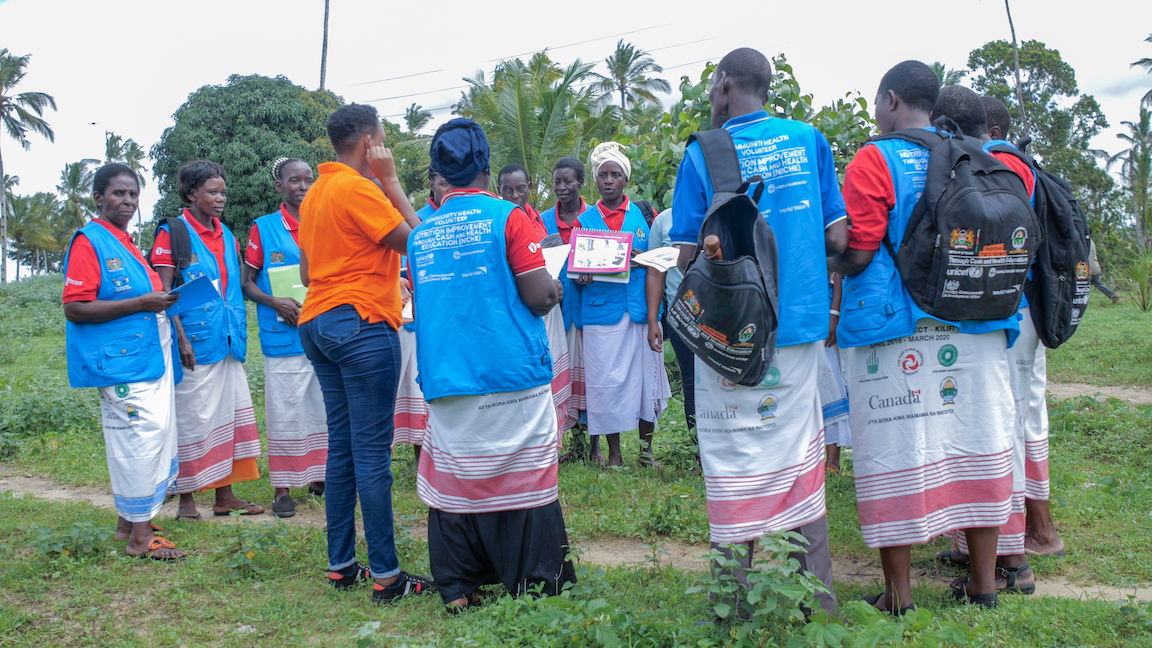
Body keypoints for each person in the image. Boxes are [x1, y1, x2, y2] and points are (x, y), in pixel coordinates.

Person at [829, 61, 1020, 611]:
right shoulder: (975, 153)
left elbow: (861, 251)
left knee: (891, 449)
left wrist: (823, 258)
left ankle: (899, 595)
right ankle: (984, 586)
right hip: (977, 321)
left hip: (896, 328)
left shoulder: (875, 158)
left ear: (891, 101)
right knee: (979, 440)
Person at [670, 47, 847, 617]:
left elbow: (685, 255)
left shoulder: (701, 153)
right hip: (797, 329)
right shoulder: (809, 140)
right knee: (799, 448)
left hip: (730, 335)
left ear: (723, 85)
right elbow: (839, 239)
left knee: (730, 454)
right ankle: (814, 598)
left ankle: (731, 600)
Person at [410, 118, 575, 610]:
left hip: (447, 376)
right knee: (525, 478)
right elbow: (538, 294)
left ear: (439, 171)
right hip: (508, 372)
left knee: (456, 482)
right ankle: (536, 580)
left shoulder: (422, 234)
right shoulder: (510, 217)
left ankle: (458, 586)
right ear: (484, 167)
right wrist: (555, 287)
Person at [297, 103, 433, 604]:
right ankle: (388, 578)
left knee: (344, 448)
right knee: (373, 455)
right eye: (383, 138)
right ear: (370, 141)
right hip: (360, 325)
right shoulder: (361, 187)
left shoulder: (316, 192)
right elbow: (421, 244)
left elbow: (311, 274)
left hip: (317, 322)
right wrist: (392, 181)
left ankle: (341, 567)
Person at [928, 86, 1035, 594]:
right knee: (997, 429)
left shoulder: (975, 168)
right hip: (1009, 313)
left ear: (945, 124)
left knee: (994, 434)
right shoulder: (1014, 169)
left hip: (981, 317)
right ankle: (990, 555)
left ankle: (1010, 560)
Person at [63, 163, 184, 560]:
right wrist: (143, 303)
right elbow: (76, 308)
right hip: (121, 362)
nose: (128, 201)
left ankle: (128, 522)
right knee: (139, 438)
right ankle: (140, 538)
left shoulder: (128, 243)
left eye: (133, 194)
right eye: (118, 193)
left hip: (145, 356)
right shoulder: (90, 241)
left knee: (151, 435)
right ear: (98, 197)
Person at [151, 160, 263, 521]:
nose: (221, 198)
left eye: (222, 192)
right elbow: (164, 293)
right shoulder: (173, 234)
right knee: (193, 420)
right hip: (194, 345)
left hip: (228, 341)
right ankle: (185, 500)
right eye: (212, 192)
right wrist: (180, 338)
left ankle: (224, 496)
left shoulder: (227, 235)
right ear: (191, 193)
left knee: (226, 418)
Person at [982, 94, 1068, 559]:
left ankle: (1018, 537)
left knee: (1008, 418)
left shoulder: (1000, 163)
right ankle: (1038, 527)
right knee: (1029, 415)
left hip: (1015, 310)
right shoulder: (1021, 161)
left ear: (987, 128)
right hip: (1032, 308)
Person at [240, 157, 326, 518]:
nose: (303, 186)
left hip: (323, 331)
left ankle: (321, 476)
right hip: (283, 334)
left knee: (322, 408)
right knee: (285, 410)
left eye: (309, 179)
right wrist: (274, 300)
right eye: (295, 180)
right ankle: (282, 488)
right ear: (280, 186)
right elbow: (246, 282)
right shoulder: (264, 228)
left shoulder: (325, 221)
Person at [577, 141, 671, 467]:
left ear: (625, 180)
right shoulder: (584, 220)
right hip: (602, 312)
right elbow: (573, 272)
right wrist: (581, 275)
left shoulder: (646, 216)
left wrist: (640, 257)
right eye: (602, 174)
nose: (608, 180)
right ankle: (614, 454)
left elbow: (662, 259)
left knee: (649, 382)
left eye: (615, 174)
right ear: (595, 180)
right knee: (606, 384)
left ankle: (646, 452)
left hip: (642, 310)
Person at [499, 163, 572, 450]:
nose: (515, 195)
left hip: (548, 304)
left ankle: (553, 438)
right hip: (521, 308)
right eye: (508, 190)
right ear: (498, 190)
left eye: (520, 189)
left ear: (529, 187)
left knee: (550, 367)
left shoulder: (536, 218)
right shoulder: (501, 219)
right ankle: (528, 442)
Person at [393, 168, 449, 463]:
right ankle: (413, 456)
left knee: (429, 389)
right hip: (408, 318)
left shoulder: (460, 216)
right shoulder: (415, 218)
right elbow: (403, 266)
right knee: (405, 388)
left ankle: (432, 453)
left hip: (442, 320)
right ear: (431, 185)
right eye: (441, 183)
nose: (447, 188)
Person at [540, 158, 593, 458]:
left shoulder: (592, 218)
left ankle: (589, 440)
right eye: (557, 182)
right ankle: (568, 439)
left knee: (587, 375)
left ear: (580, 183)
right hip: (554, 310)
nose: (561, 187)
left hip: (588, 307)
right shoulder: (543, 220)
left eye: (568, 181)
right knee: (562, 373)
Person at [649, 207, 695, 437]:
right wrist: (653, 320)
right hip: (681, 315)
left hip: (722, 314)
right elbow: (656, 272)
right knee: (691, 382)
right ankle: (699, 450)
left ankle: (726, 449)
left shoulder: (719, 210)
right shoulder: (664, 220)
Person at [822, 274, 851, 474]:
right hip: (795, 318)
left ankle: (832, 460)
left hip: (824, 316)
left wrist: (834, 314)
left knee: (831, 386)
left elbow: (838, 273)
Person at [1088, 239, 1120, 304]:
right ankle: (1112, 295)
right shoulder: (1090, 241)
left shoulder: (1087, 242)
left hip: (1091, 267)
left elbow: (1089, 257)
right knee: (1097, 283)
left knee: (1083, 284)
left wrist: (1089, 271)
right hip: (1095, 266)